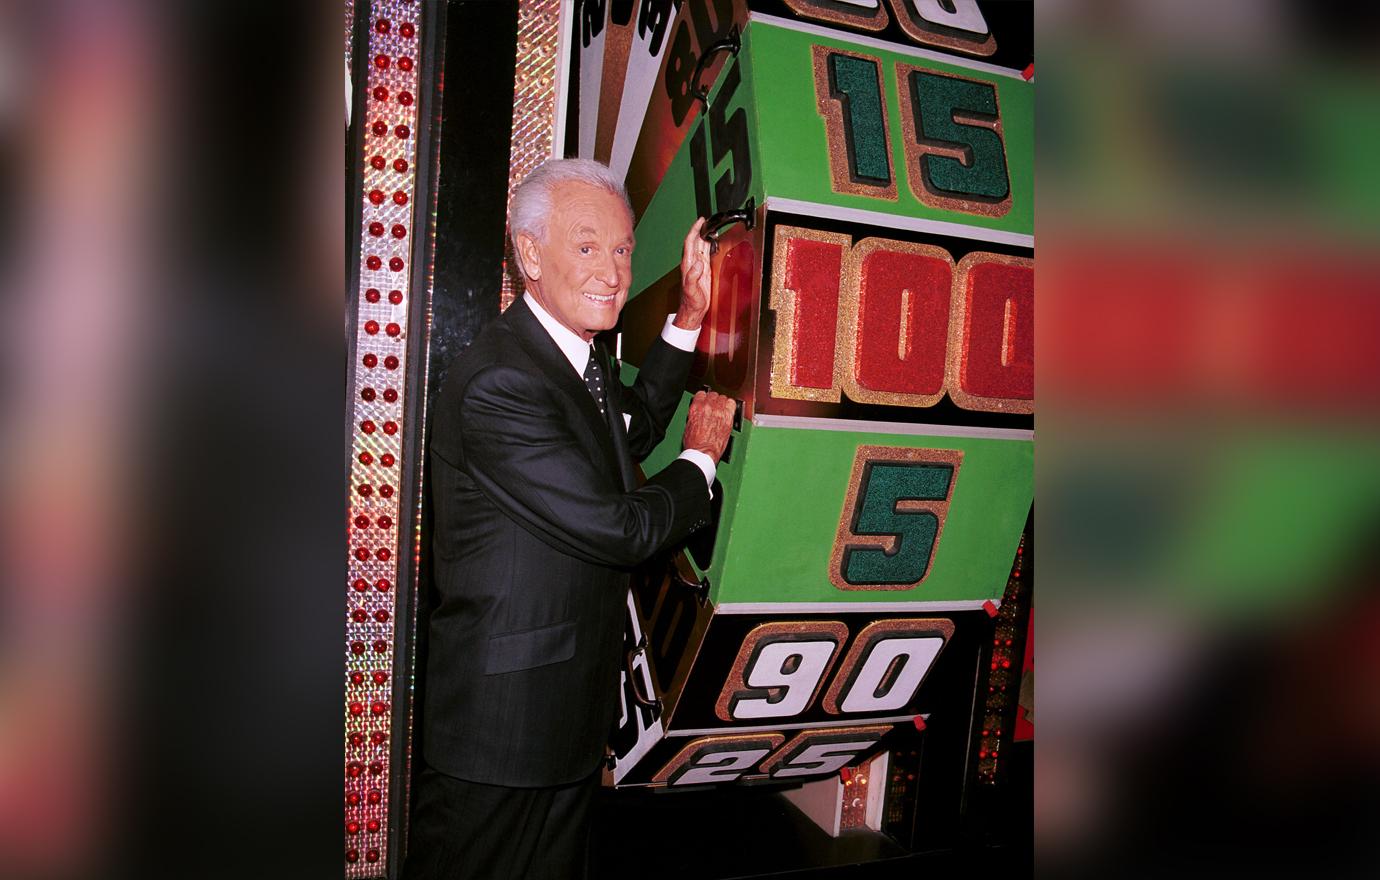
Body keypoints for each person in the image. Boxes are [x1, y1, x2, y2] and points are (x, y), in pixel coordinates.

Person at [404, 158, 736, 879]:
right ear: (530, 254)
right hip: (500, 741)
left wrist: (689, 317)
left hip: (564, 730)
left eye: (622, 250)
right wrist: (702, 460)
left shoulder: (574, 364)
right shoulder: (503, 381)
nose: (614, 273)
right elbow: (620, 527)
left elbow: (634, 427)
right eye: (588, 248)